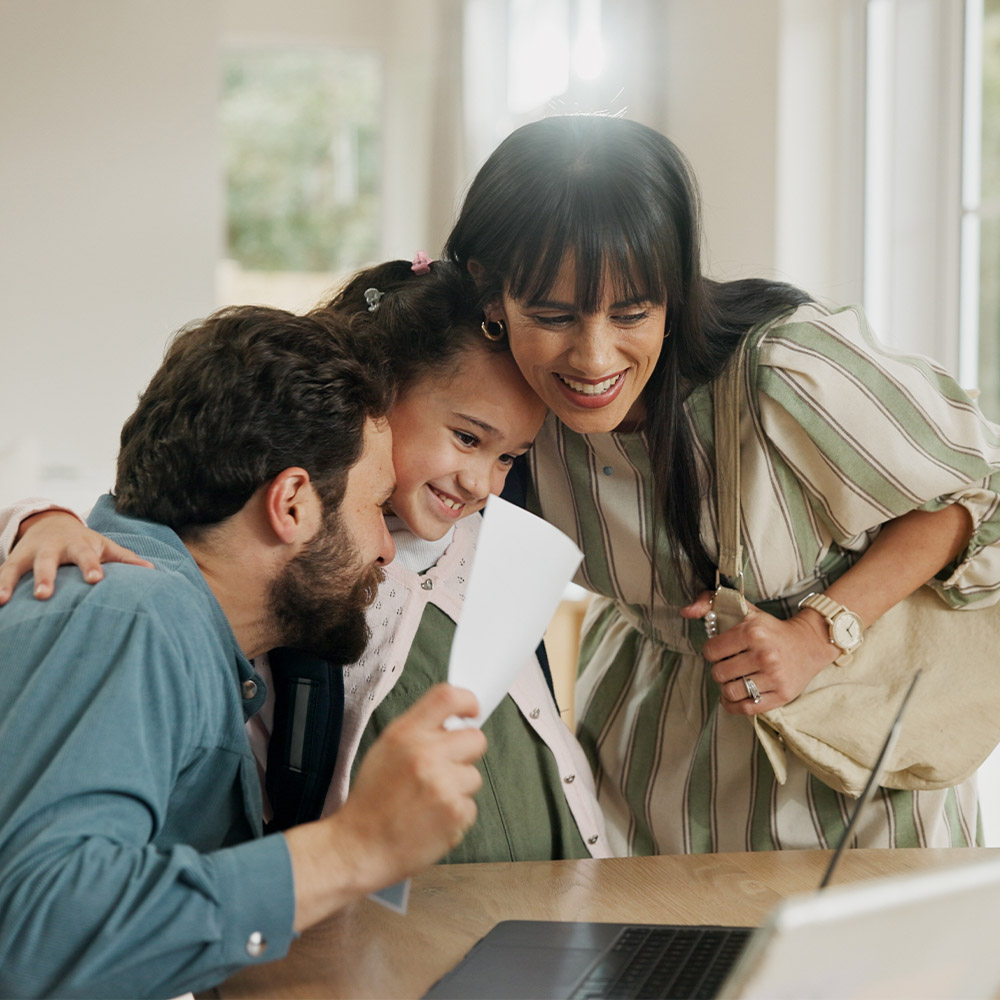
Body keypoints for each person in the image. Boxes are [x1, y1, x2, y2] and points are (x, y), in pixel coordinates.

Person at [443, 113, 1000, 856]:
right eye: (552, 316)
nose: (593, 357)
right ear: (490, 290)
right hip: (639, 776)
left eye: (632, 313)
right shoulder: (501, 410)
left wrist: (818, 629)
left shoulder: (785, 371)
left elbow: (978, 491)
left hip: (852, 794)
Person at [0, 257, 608, 862]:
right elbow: (162, 534)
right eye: (468, 438)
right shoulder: (289, 569)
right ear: (380, 393)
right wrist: (39, 517)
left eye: (510, 458)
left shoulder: (485, 541)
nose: (483, 484)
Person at [0, 306, 486, 998]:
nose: (386, 548)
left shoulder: (170, 629)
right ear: (292, 504)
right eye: (375, 507)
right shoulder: (137, 614)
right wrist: (358, 844)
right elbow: (34, 933)